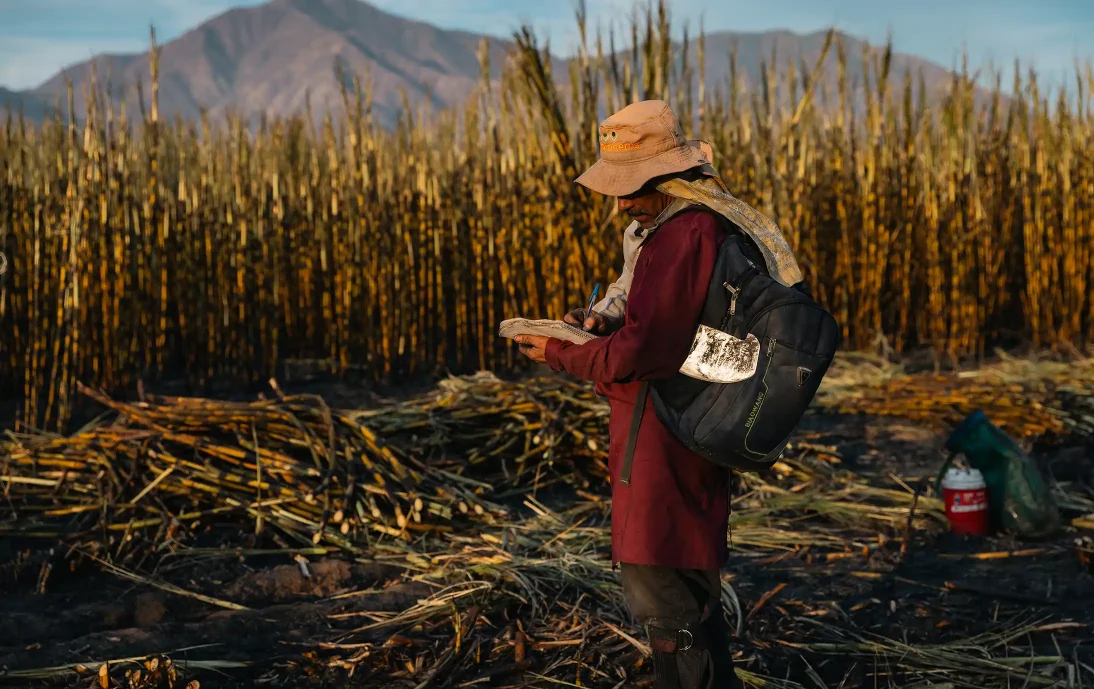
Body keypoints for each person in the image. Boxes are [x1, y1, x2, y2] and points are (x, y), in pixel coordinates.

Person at [514, 99, 804, 689]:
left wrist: (560, 353)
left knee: (659, 580)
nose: (619, 202)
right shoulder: (676, 227)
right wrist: (596, 322)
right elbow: (646, 314)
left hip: (666, 431)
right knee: (685, 571)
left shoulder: (685, 234)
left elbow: (648, 348)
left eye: (630, 188)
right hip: (682, 422)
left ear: (665, 176)